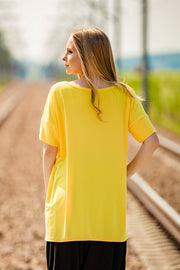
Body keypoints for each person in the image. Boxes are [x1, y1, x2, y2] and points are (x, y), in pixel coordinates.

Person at [39, 28, 159, 270]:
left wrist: (49, 194)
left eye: (70, 51)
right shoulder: (125, 96)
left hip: (67, 219)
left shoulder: (59, 93)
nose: (64, 57)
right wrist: (124, 173)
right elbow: (152, 142)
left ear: (88, 56)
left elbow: (49, 152)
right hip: (109, 223)